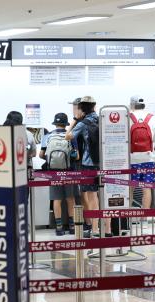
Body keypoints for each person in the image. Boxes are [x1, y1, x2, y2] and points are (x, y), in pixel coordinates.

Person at [65, 96, 105, 238]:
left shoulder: (83, 123)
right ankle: (103, 228)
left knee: (91, 195)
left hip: (89, 163)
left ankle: (94, 229)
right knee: (99, 196)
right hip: (103, 162)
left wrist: (75, 120)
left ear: (82, 108)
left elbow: (67, 136)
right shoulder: (101, 118)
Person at [40, 113, 79, 236]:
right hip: (68, 171)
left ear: (55, 123)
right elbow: (77, 156)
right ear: (66, 123)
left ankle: (59, 227)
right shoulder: (71, 136)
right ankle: (72, 226)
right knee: (70, 198)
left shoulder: (47, 136)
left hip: (54, 172)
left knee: (56, 199)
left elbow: (41, 155)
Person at [129, 95, 155, 210]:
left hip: (131, 160)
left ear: (132, 105)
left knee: (130, 187)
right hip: (148, 160)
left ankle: (128, 217)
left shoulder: (127, 118)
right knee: (146, 188)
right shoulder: (153, 118)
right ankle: (145, 218)